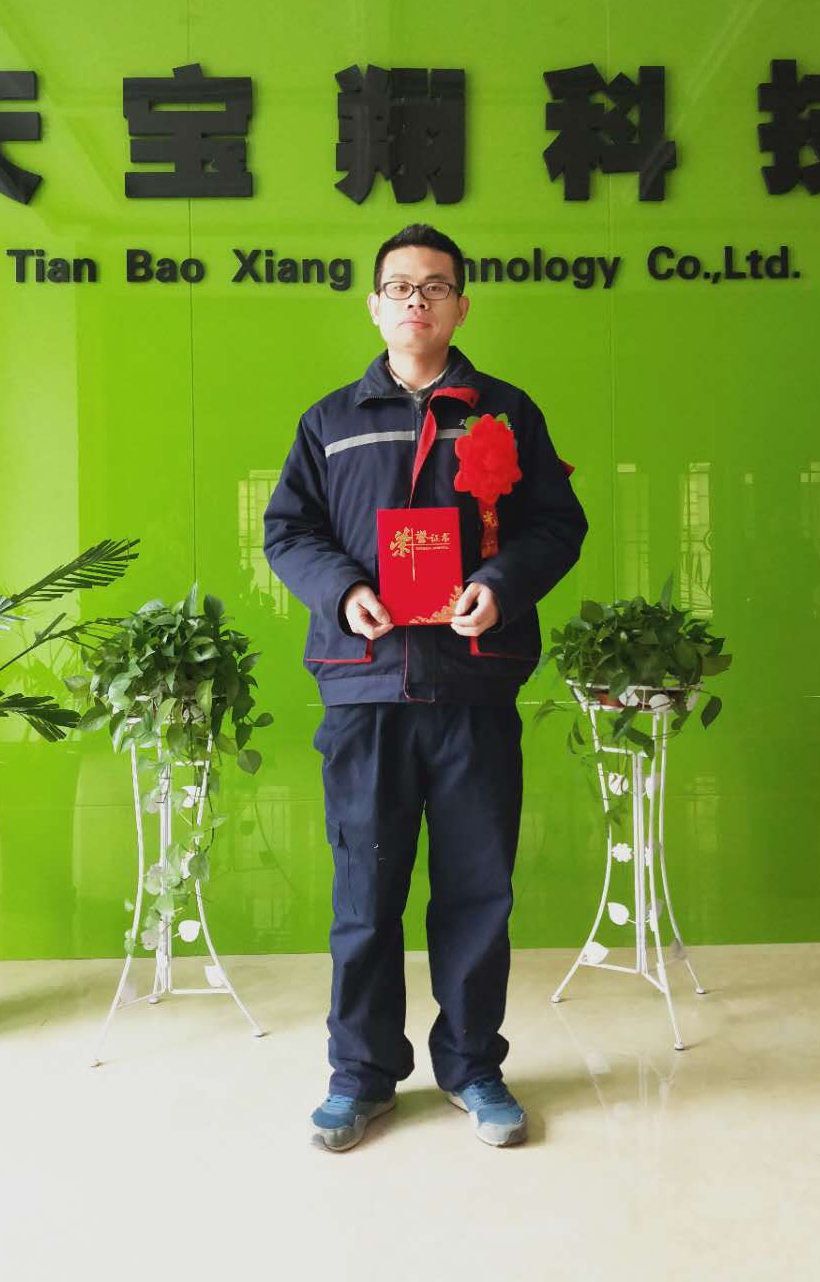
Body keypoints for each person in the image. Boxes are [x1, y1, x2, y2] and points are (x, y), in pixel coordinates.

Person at [263, 223, 587, 1151]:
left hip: (472, 686)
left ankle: (474, 1066)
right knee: (365, 895)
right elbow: (287, 531)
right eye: (400, 286)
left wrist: (500, 586)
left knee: (478, 891)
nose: (417, 300)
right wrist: (344, 590)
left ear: (461, 306)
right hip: (364, 688)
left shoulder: (506, 414)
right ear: (375, 306)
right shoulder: (330, 421)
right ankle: (360, 1075)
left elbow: (556, 525)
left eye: (435, 286)